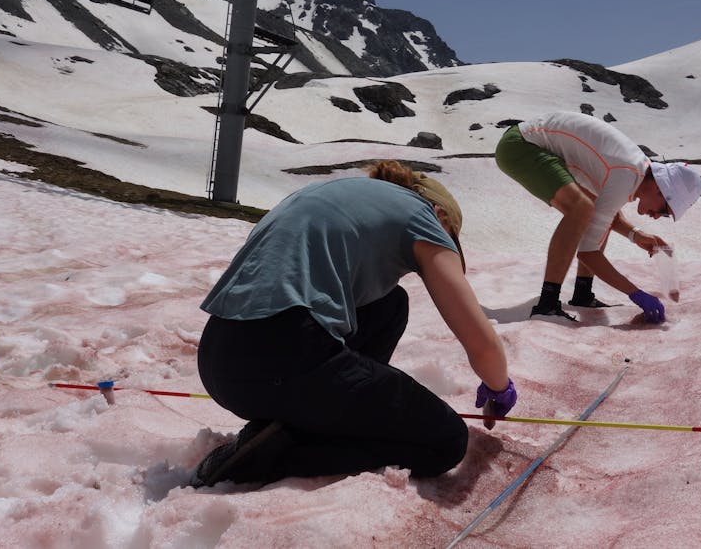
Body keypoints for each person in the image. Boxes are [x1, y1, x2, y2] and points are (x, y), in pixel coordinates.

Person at [191, 160, 517, 488]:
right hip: (285, 356)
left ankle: (316, 422)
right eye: (449, 238)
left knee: (391, 305)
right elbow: (482, 344)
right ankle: (271, 457)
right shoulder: (422, 216)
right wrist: (499, 387)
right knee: (445, 440)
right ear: (439, 214)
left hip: (219, 359)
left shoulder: (340, 196)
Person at [495, 111, 701, 323]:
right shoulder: (626, 174)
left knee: (592, 209)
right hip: (521, 146)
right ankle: (547, 305)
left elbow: (606, 215)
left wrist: (636, 235)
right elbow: (588, 253)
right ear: (661, 190)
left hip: (530, 144)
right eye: (665, 211)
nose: (659, 217)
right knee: (581, 208)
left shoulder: (634, 170)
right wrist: (636, 294)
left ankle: (582, 295)